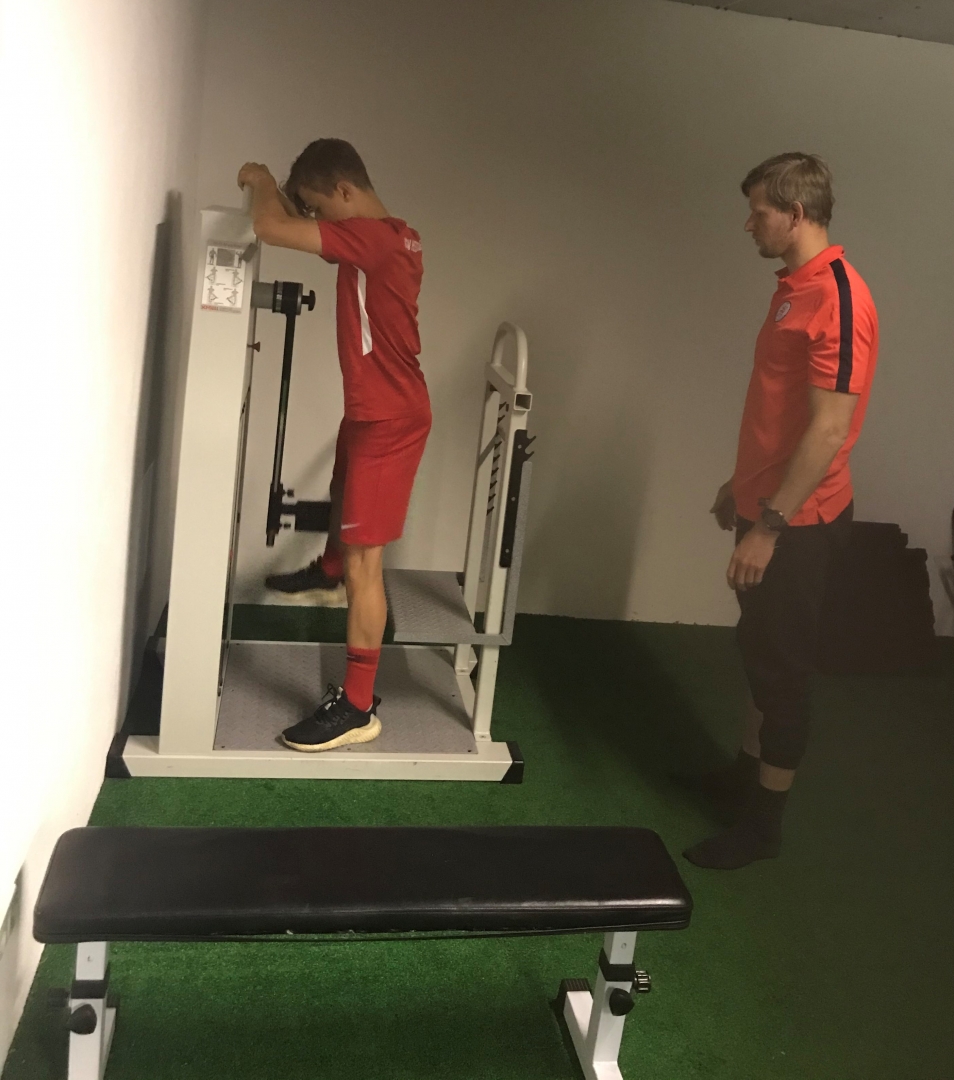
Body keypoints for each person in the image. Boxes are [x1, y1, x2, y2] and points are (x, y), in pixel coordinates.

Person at [682, 153, 878, 869]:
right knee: (759, 650)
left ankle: (764, 827)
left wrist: (768, 528)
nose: (749, 224)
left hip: (799, 523)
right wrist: (740, 487)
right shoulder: (795, 288)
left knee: (783, 673)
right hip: (765, 503)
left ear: (795, 214)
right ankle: (744, 774)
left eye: (758, 211)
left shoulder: (840, 297)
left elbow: (829, 430)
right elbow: (782, 412)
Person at [237, 139, 431, 752]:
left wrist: (260, 178)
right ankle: (327, 571)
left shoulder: (371, 240)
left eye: (321, 207)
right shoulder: (393, 236)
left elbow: (270, 226)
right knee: (341, 489)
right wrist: (291, 197)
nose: (318, 221)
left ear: (345, 191)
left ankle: (356, 708)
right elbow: (292, 222)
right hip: (376, 408)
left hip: (389, 419)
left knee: (365, 565)